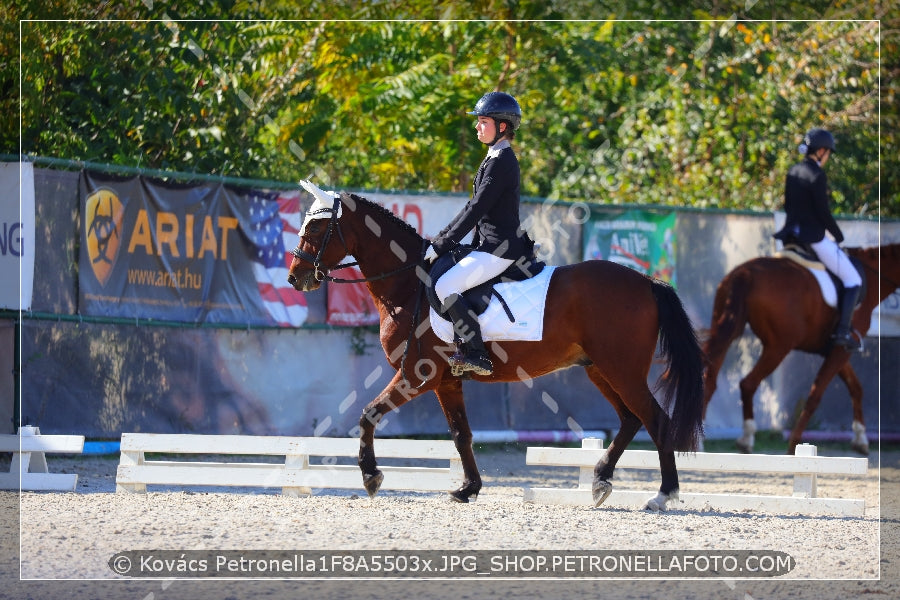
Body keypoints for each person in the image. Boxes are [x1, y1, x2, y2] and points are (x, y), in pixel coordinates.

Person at [424, 91, 531, 375]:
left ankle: (477, 353)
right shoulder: (493, 157)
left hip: (501, 249)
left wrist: (442, 245)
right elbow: (471, 207)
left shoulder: (502, 161)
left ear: (502, 126)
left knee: (445, 287)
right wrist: (440, 241)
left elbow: (476, 209)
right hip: (488, 245)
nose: (477, 127)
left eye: (483, 121)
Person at [774, 127, 862, 350]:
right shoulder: (817, 175)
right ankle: (842, 332)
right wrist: (839, 235)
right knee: (854, 280)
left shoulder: (793, 171)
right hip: (812, 238)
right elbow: (823, 212)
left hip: (790, 237)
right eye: (828, 153)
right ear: (821, 151)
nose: (828, 157)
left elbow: (789, 206)